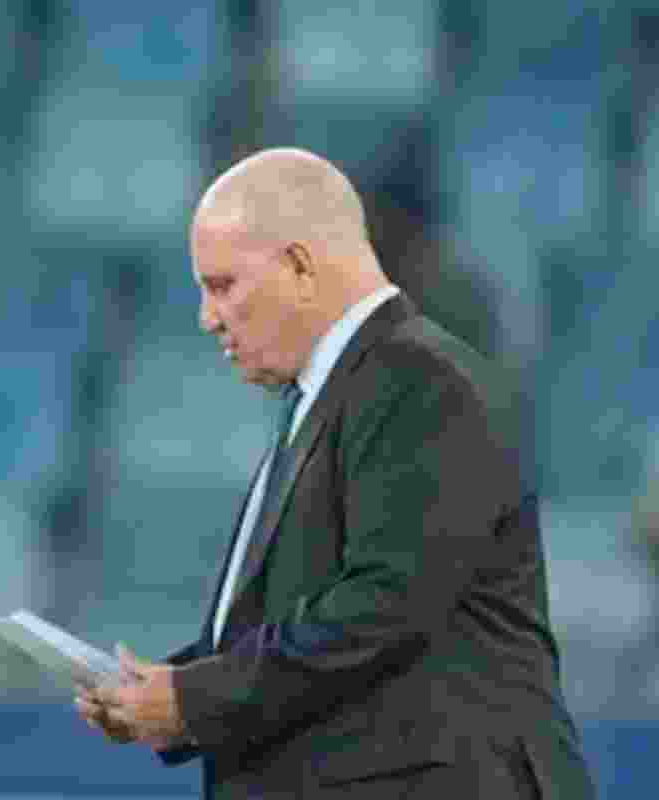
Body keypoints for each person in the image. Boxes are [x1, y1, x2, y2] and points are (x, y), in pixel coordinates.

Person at [75, 147, 595, 799]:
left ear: (299, 265)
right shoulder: (339, 393)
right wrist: (163, 697)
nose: (208, 318)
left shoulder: (423, 382)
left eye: (223, 285)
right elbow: (306, 611)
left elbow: (381, 605)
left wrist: (193, 698)